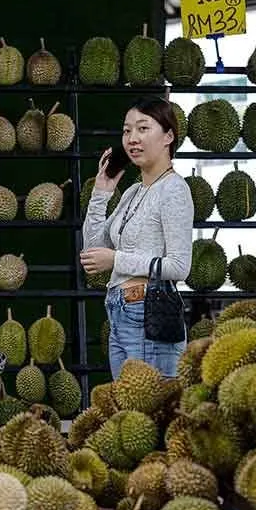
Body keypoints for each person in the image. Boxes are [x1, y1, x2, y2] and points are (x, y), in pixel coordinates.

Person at [80, 96, 195, 379]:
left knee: (150, 411)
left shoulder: (173, 190)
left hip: (148, 313)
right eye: (127, 130)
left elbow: (179, 267)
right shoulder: (133, 191)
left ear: (168, 136)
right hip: (119, 312)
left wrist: (116, 259)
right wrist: (101, 192)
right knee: (128, 412)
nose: (132, 138)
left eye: (143, 129)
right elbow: (94, 248)